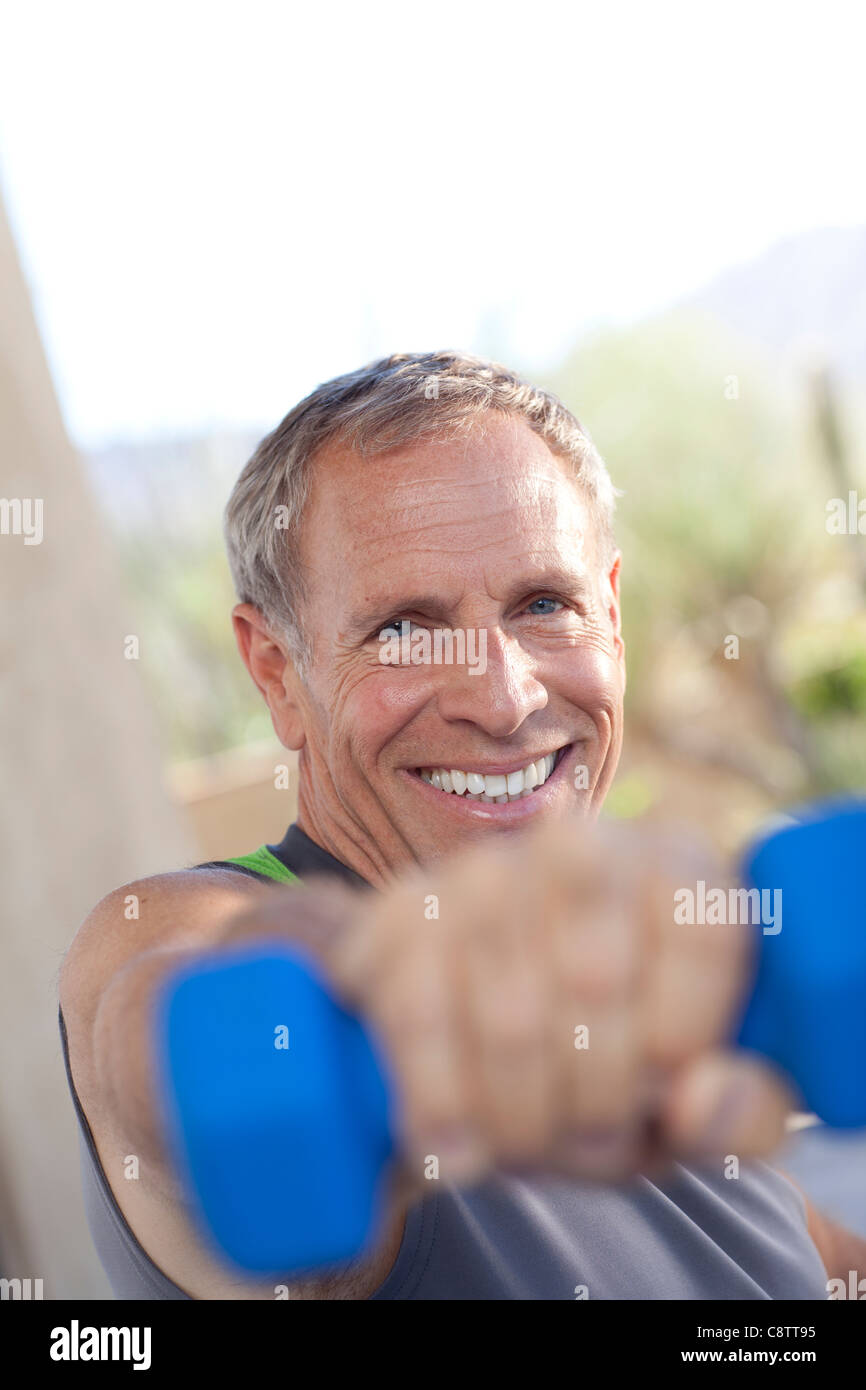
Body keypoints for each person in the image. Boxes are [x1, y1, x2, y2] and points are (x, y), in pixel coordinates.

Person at [59, 351, 862, 1299]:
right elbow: (167, 1043)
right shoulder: (177, 934)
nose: (505, 697)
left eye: (544, 605)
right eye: (403, 628)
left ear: (610, 614)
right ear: (277, 671)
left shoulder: (670, 1009)